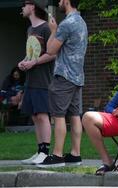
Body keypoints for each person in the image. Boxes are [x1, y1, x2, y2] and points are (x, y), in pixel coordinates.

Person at [37, 0, 88, 168]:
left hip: (64, 76)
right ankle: (75, 154)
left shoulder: (67, 24)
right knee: (74, 116)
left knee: (58, 116)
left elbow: (51, 50)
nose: (58, 2)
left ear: (66, 1)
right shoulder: (81, 22)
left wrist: (53, 31)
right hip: (77, 77)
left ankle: (57, 156)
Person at [17, 0, 56, 165]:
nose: (22, 7)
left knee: (42, 115)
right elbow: (32, 53)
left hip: (43, 80)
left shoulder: (46, 28)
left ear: (32, 6)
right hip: (30, 80)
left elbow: (52, 54)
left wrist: (33, 63)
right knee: (34, 116)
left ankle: (45, 153)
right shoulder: (30, 29)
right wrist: (24, 61)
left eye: (24, 4)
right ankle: (39, 151)